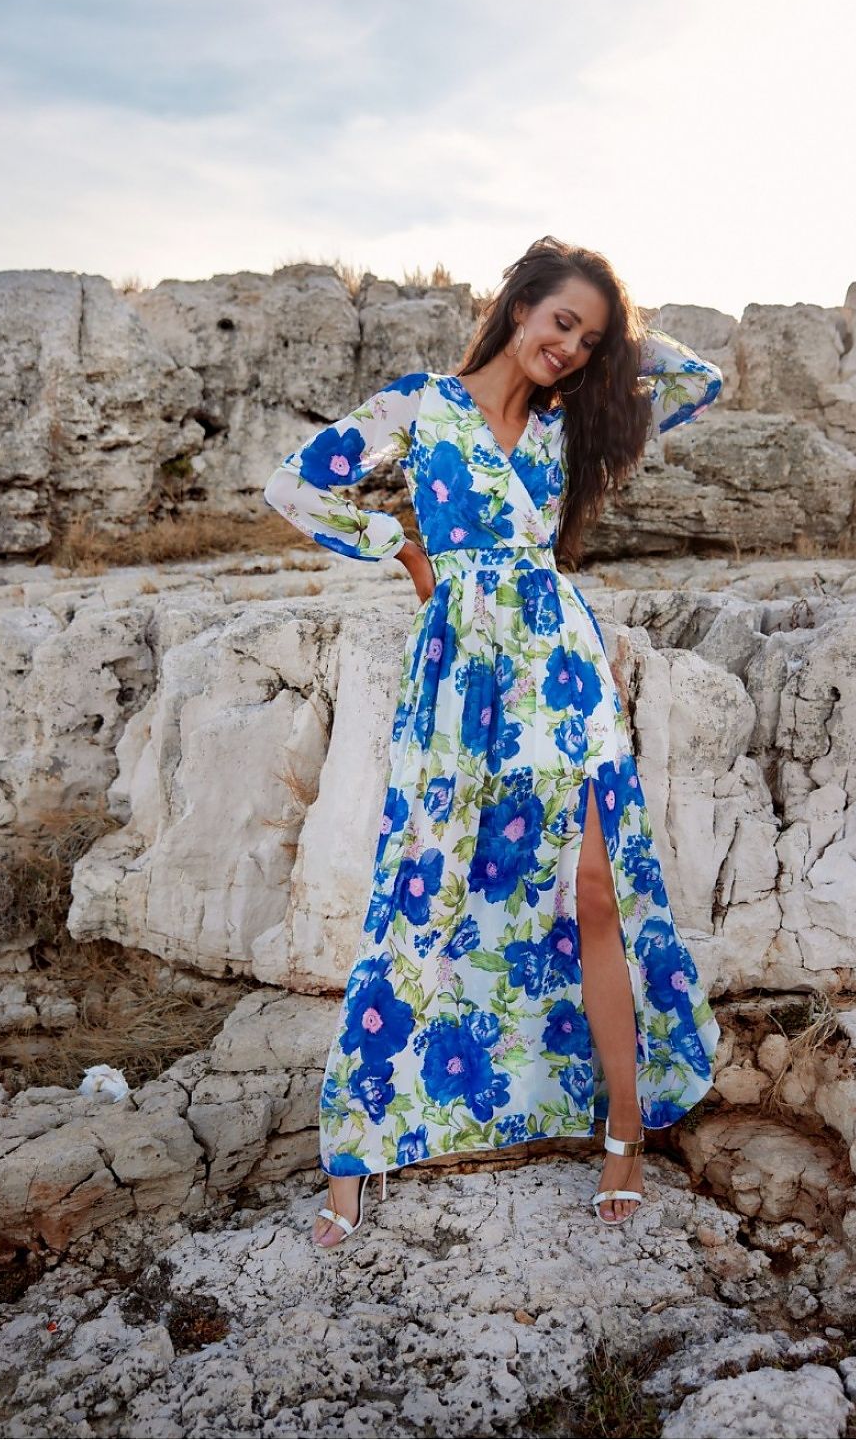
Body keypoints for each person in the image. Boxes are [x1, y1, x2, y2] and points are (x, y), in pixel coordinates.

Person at [263, 234, 724, 1249]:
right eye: (561, 320)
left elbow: (700, 381)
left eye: (589, 338)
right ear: (518, 307)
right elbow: (292, 487)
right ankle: (358, 1146)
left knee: (595, 891)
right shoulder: (418, 406)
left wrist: (619, 337)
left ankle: (624, 1129)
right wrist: (400, 546)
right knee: (424, 886)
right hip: (461, 673)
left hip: (560, 670)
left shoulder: (572, 418)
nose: (570, 347)